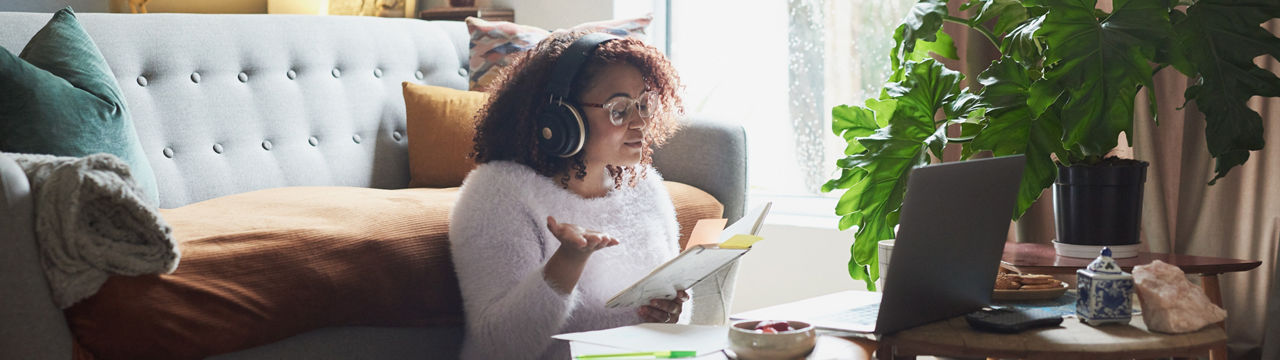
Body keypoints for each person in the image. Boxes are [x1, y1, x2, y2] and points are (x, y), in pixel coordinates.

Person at [448, 30, 731, 360]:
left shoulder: (646, 186)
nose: (640, 122)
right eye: (620, 109)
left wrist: (668, 313)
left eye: (644, 104)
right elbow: (500, 347)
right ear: (562, 117)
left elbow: (671, 308)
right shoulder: (498, 194)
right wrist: (566, 263)